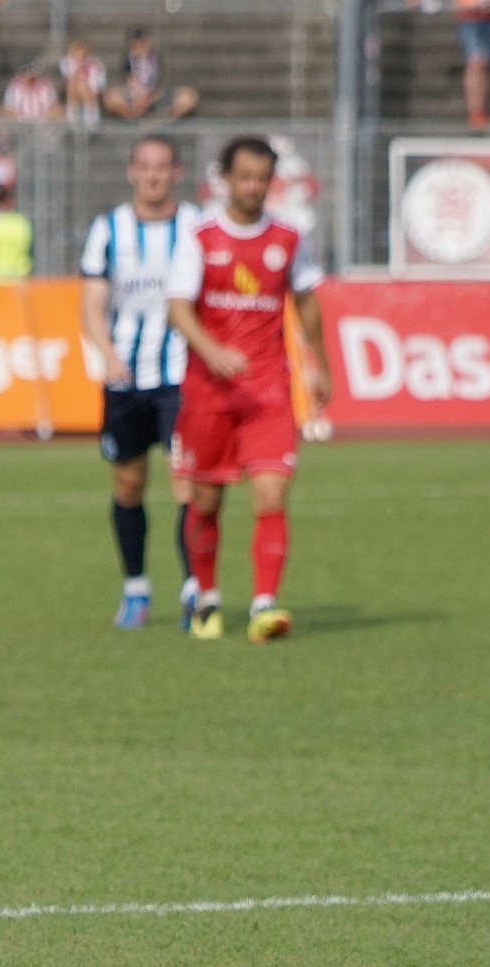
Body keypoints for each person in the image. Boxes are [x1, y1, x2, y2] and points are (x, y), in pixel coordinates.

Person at [165, 137, 331, 644]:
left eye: (263, 178)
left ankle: (265, 604)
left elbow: (306, 301)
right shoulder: (200, 236)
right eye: (245, 178)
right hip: (209, 393)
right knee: (205, 500)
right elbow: (178, 308)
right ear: (226, 180)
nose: (255, 187)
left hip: (268, 392)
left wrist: (319, 366)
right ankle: (207, 598)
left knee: (271, 493)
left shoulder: (289, 237)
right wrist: (211, 351)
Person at [79, 136, 200, 630]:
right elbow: (91, 302)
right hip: (125, 377)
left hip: (181, 378)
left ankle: (195, 589)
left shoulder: (196, 227)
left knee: (187, 483)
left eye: (162, 167)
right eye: (145, 167)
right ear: (132, 171)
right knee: (129, 485)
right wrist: (108, 354)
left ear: (177, 172)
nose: (153, 176)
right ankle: (136, 588)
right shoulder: (108, 229)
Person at [103, 31, 199, 121]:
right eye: (136, 45)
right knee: (111, 97)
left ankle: (166, 119)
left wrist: (150, 98)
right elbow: (127, 81)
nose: (139, 48)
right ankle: (133, 117)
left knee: (189, 96)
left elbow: (162, 84)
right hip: (134, 98)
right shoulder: (127, 61)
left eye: (142, 44)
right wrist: (138, 97)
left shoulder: (158, 59)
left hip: (157, 96)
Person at [451, 0, 490, 128]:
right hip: (470, 17)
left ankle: (483, 107)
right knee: (476, 62)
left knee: (487, 64)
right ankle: (475, 109)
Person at [61, 38, 106, 126]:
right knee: (74, 85)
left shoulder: (96, 64)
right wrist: (78, 65)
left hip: (92, 92)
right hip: (74, 90)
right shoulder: (66, 62)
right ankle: (73, 119)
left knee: (83, 87)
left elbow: (99, 85)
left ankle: (91, 120)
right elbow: (68, 79)